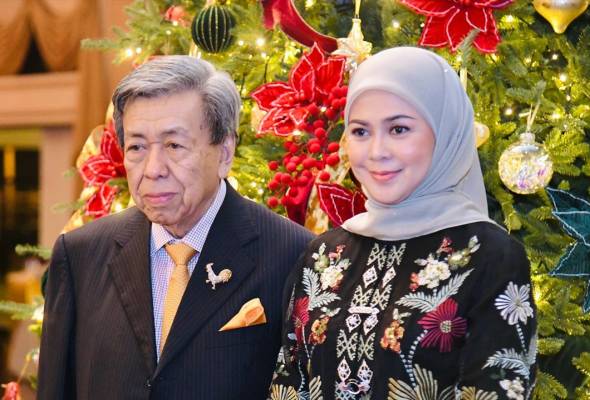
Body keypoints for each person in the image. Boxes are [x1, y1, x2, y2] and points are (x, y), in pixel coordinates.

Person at [38, 55, 314, 399]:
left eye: (174, 145)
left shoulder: (292, 255)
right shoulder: (80, 255)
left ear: (225, 152)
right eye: (137, 147)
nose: (153, 169)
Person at [268, 47, 537, 400]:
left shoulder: (489, 257)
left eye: (398, 129)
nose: (377, 151)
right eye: (360, 132)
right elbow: (288, 383)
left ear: (444, 133)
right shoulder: (324, 255)